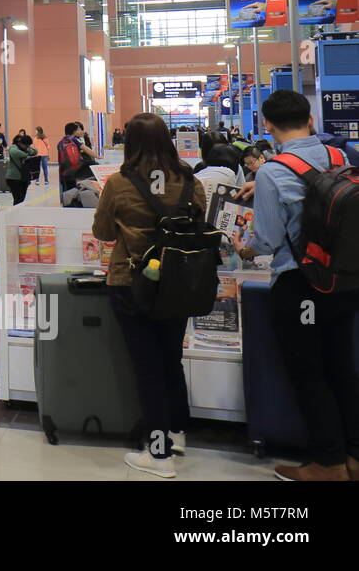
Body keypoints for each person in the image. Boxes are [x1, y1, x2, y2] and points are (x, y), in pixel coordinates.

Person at [229, 90, 359, 482]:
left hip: (301, 283)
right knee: (342, 368)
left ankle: (328, 464)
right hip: (346, 278)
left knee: (308, 372)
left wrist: (244, 248)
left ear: (267, 125)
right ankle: (352, 456)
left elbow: (267, 240)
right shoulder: (341, 157)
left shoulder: (272, 170)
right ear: (310, 119)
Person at [92, 112, 207, 478]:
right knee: (170, 358)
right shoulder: (191, 181)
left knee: (147, 368)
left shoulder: (119, 183)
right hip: (180, 283)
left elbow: (103, 231)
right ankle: (176, 432)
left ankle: (158, 455)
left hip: (132, 282)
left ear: (131, 143)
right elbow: (200, 225)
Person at [58, 121, 97, 193]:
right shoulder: (74, 140)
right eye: (78, 129)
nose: (80, 131)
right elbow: (86, 149)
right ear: (74, 131)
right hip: (75, 170)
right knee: (74, 190)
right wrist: (98, 156)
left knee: (66, 190)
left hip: (63, 171)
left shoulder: (61, 142)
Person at [6, 134, 35, 205]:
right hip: (14, 178)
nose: (28, 147)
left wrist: (28, 149)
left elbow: (35, 151)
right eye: (27, 145)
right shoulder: (13, 148)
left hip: (24, 178)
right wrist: (27, 154)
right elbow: (14, 152)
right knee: (17, 199)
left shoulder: (25, 148)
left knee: (21, 199)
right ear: (21, 143)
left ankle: (18, 213)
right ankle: (16, 214)